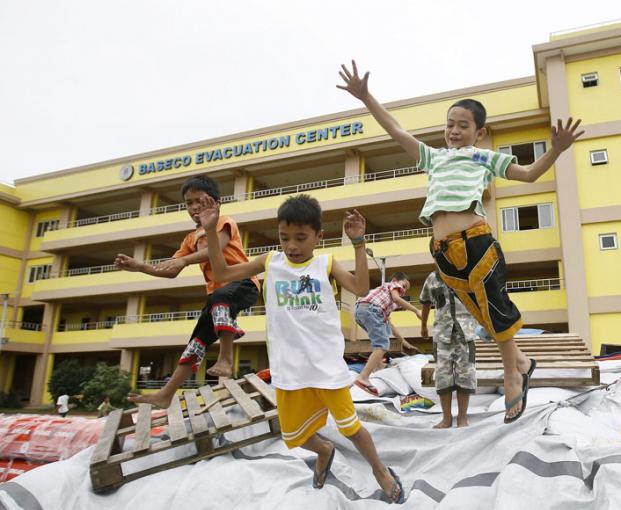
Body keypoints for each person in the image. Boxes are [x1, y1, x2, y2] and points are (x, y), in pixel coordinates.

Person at [338, 61, 584, 423]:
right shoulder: (434, 158)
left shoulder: (484, 157)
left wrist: (557, 149)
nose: (454, 131)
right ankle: (524, 362)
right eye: (450, 124)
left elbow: (530, 174)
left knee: (495, 310)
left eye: (463, 125)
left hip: (475, 242)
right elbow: (396, 129)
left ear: (479, 132)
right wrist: (366, 97)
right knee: (482, 312)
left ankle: (514, 375)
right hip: (443, 253)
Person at [199, 193, 404, 502]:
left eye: (300, 238)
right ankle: (323, 450)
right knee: (293, 435)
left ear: (318, 236)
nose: (292, 246)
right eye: (285, 238)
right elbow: (222, 274)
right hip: (289, 370)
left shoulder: (325, 263)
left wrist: (358, 243)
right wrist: (213, 232)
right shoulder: (271, 261)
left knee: (351, 427)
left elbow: (361, 287)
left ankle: (380, 471)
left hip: (326, 369)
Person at [115, 175, 260, 409]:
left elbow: (217, 247)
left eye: (198, 201)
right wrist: (141, 267)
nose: (194, 207)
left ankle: (225, 358)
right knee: (197, 342)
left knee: (220, 296)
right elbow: (171, 269)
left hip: (243, 283)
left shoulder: (224, 221)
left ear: (215, 202)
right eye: (188, 203)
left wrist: (185, 261)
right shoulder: (190, 238)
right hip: (217, 297)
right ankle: (166, 394)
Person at [420, 270, 479, 428]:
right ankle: (446, 418)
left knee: (466, 376)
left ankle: (462, 418)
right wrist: (423, 326)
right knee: (442, 377)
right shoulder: (432, 278)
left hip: (466, 334)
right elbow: (425, 302)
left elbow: (481, 301)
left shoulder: (467, 275)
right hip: (442, 335)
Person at [352, 273, 421, 396]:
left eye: (405, 289)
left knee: (383, 334)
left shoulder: (386, 301)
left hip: (361, 311)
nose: (403, 291)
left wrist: (404, 342)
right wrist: (416, 310)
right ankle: (363, 377)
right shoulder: (392, 286)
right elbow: (396, 298)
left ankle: (377, 367)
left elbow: (389, 324)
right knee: (382, 344)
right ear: (395, 280)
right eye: (404, 286)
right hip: (371, 309)